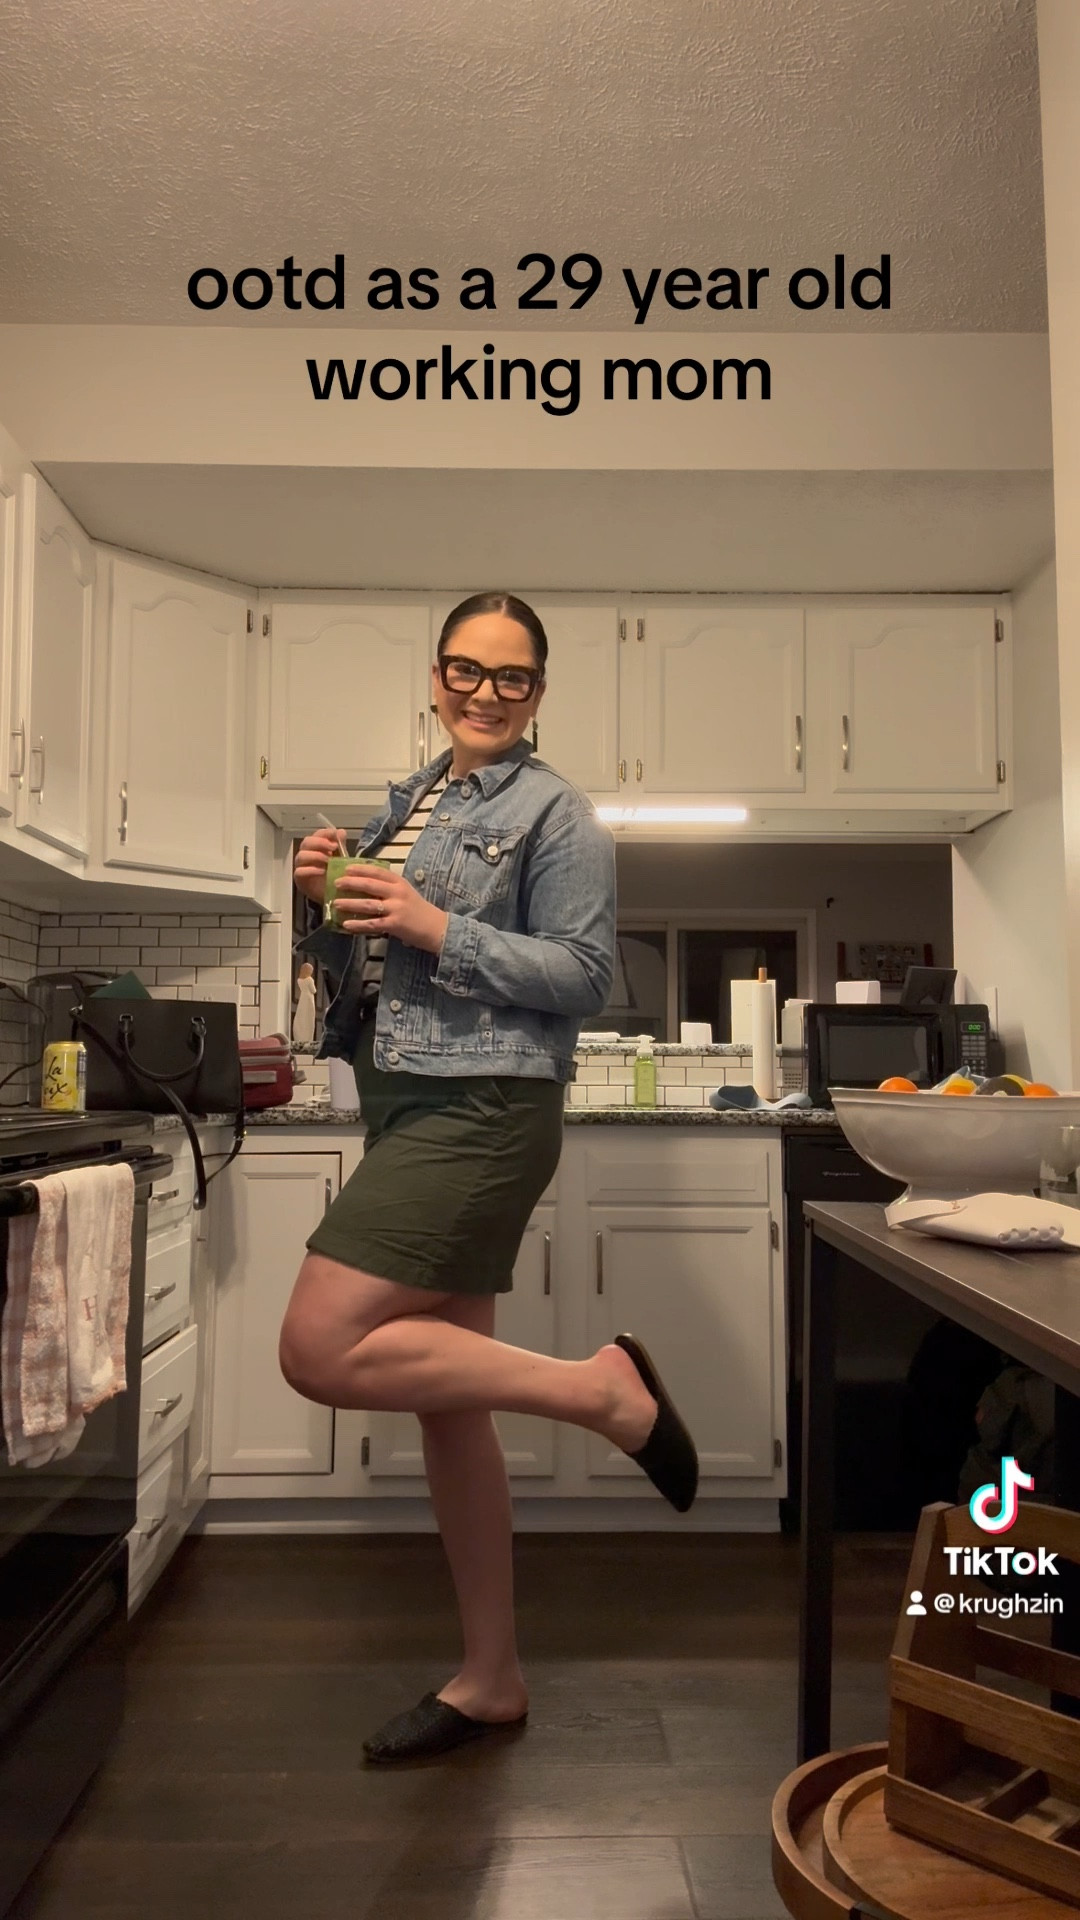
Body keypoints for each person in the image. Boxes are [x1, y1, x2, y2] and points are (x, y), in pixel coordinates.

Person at [279, 592, 698, 1763]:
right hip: (406, 1095)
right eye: (467, 670)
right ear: (436, 674)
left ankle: (606, 1392)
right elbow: (359, 964)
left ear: (539, 694)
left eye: (512, 678)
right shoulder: (412, 803)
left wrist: (427, 921)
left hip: (485, 1105)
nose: (485, 694)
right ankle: (492, 1676)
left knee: (316, 1346)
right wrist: (323, 900)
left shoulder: (559, 814)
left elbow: (584, 975)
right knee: (448, 1407)